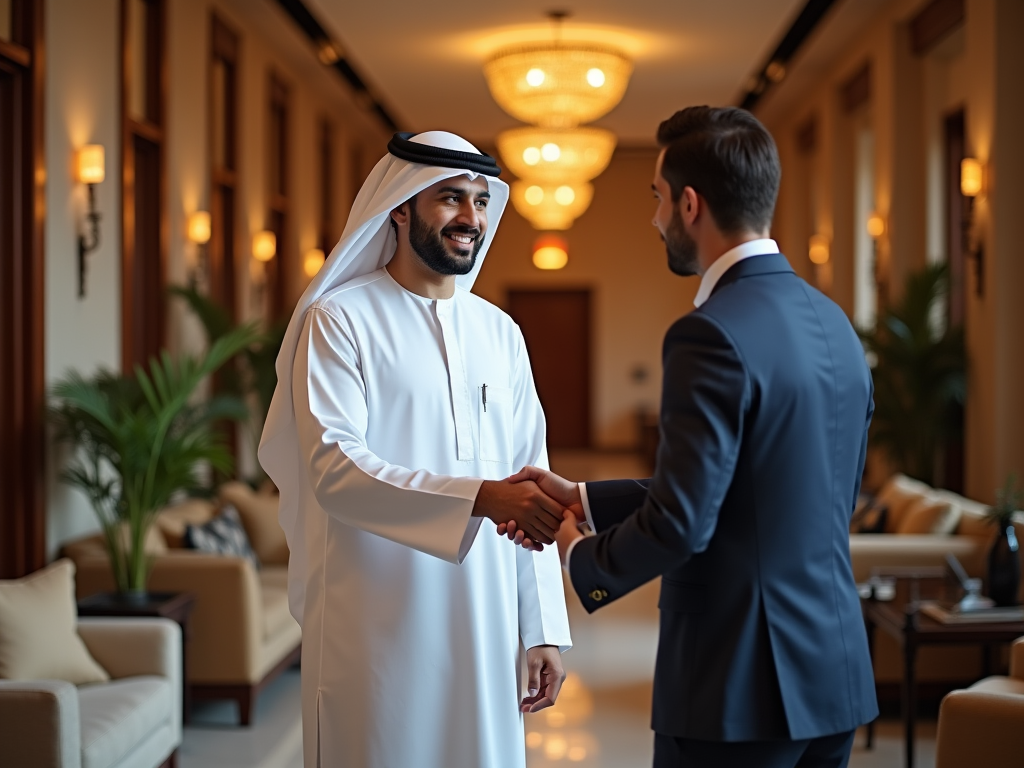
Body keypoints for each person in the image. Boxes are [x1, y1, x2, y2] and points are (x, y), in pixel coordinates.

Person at [501, 107, 878, 768]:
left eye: (656, 198)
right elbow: (754, 488)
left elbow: (682, 522)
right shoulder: (836, 324)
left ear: (690, 204)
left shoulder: (709, 333)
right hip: (834, 671)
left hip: (736, 685)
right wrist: (584, 497)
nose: (654, 219)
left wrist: (575, 553)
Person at [259, 131, 571, 768]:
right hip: (374, 618)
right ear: (400, 206)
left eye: (481, 202)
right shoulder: (340, 319)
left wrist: (542, 630)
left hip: (484, 620)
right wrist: (480, 496)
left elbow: (533, 480)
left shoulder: (500, 333)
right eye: (451, 199)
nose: (471, 219)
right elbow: (335, 468)